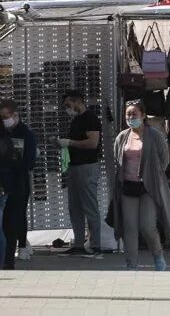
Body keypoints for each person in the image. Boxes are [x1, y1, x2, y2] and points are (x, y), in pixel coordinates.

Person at [110, 100, 170, 270]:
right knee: (129, 227)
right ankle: (131, 263)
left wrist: (152, 175)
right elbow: (117, 159)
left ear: (143, 115)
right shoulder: (122, 137)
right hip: (128, 187)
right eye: (128, 114)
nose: (130, 118)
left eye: (134, 114)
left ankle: (158, 255)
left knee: (147, 226)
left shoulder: (155, 135)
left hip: (148, 187)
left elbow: (164, 160)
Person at [58, 90, 103, 258]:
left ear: (78, 102)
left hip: (87, 167)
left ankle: (95, 245)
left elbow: (92, 143)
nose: (67, 109)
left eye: (68, 105)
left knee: (90, 207)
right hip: (74, 166)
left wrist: (70, 142)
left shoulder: (90, 118)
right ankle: (78, 244)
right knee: (74, 207)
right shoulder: (76, 120)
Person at [0, 99, 35, 269]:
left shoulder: (25, 134)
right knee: (6, 222)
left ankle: (10, 258)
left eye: (6, 116)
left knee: (13, 220)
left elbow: (28, 162)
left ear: (15, 114)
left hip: (18, 183)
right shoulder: (2, 131)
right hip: (4, 183)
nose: (4, 120)